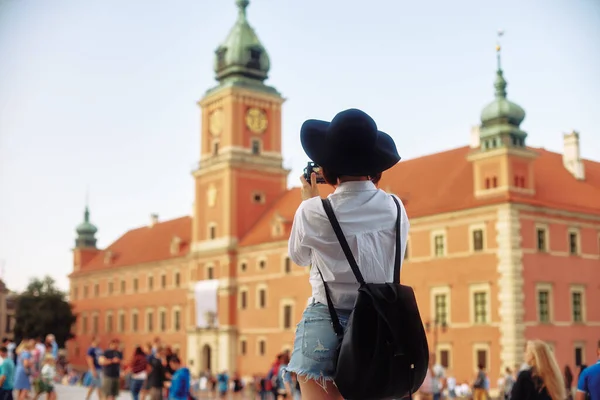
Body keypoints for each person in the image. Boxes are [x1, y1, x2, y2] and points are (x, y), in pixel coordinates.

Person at [284, 108, 407, 400]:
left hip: (327, 321)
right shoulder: (396, 207)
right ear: (375, 164)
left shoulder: (314, 211)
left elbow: (299, 257)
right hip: (383, 323)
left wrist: (310, 202)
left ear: (326, 168)